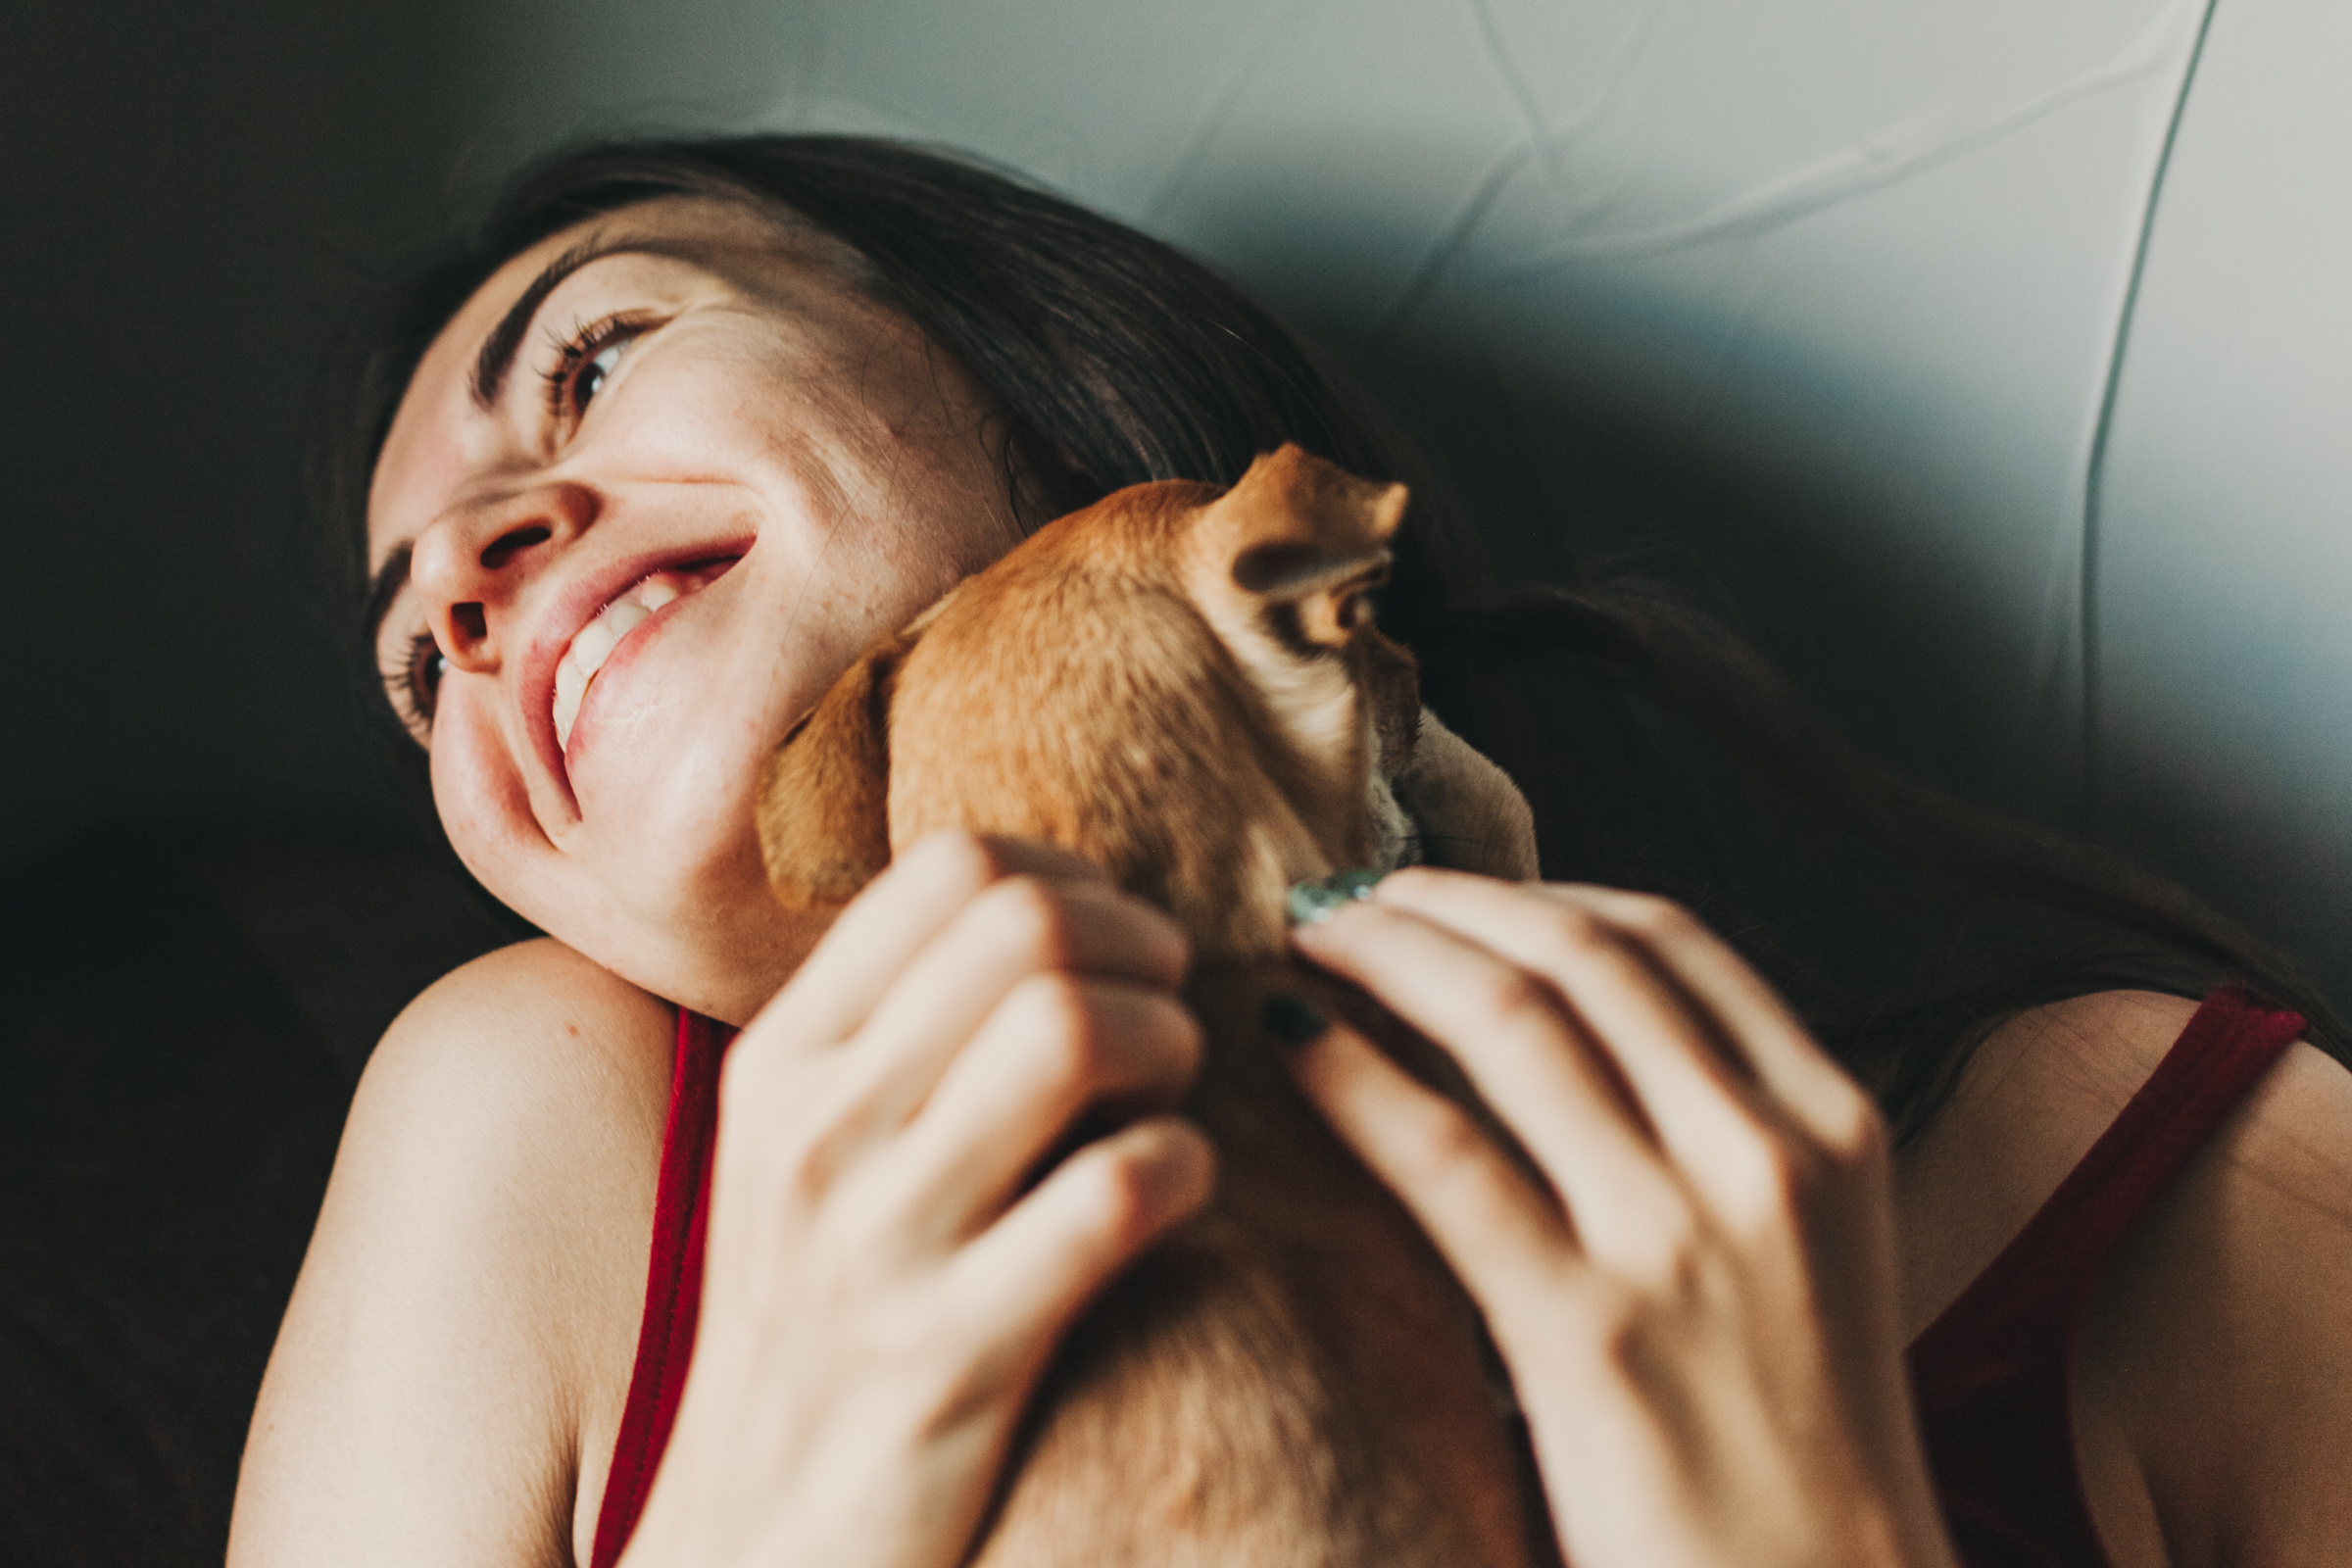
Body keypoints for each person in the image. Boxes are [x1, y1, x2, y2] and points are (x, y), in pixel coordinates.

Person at [228, 136, 2352, 1568]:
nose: (477, 591)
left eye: (596, 360)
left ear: (1024, 363)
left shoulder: (2170, 1166)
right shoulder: (537, 1136)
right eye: (421, 658)